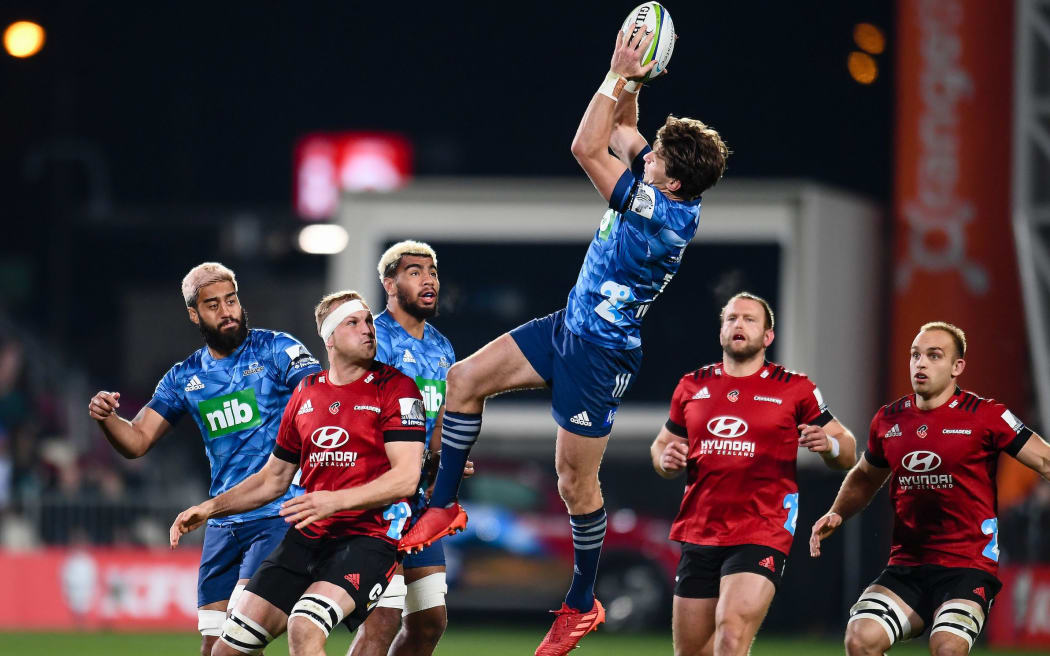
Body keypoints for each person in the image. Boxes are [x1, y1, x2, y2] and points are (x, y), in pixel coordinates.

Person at [400, 25, 730, 656]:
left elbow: (586, 144)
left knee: (573, 484)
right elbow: (625, 129)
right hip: (569, 325)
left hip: (600, 355)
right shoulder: (662, 184)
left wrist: (613, 70)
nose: (645, 154)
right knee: (464, 380)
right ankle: (443, 507)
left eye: (655, 157)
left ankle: (581, 604)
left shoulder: (661, 215)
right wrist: (635, 79)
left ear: (672, 184)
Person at [169, 290, 427, 656]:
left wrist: (333, 501)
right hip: (307, 537)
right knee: (225, 651)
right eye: (353, 322)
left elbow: (405, 478)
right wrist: (209, 508)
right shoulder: (306, 393)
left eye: (368, 321)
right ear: (330, 338)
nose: (368, 329)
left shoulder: (397, 389)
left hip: (368, 537)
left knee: (304, 627)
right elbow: (273, 479)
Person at [87, 262, 321, 655]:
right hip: (223, 524)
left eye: (231, 300)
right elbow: (138, 440)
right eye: (213, 305)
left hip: (279, 515)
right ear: (194, 314)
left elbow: (322, 398)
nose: (227, 311)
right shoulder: (184, 378)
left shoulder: (279, 350)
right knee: (214, 647)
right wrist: (108, 419)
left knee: (239, 641)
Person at [809, 322, 1050, 655]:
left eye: (934, 356)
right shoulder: (888, 420)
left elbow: (1046, 461)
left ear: (957, 367)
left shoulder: (986, 415)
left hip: (967, 566)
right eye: (915, 355)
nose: (920, 363)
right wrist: (837, 512)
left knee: (947, 647)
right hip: (908, 566)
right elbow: (865, 476)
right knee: (860, 638)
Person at [650, 292, 857, 656]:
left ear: (767, 336)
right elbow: (661, 445)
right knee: (691, 651)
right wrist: (665, 460)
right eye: (731, 319)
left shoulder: (795, 388)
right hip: (700, 529)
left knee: (731, 636)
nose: (738, 325)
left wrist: (830, 445)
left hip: (761, 528)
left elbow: (848, 448)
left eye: (749, 319)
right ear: (721, 331)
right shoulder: (691, 386)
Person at [348, 241, 464, 656]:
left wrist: (448, 457)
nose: (428, 279)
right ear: (389, 283)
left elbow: (436, 422)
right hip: (374, 500)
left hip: (418, 504)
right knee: (381, 619)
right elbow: (349, 417)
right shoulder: (371, 339)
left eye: (432, 271)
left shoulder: (442, 348)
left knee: (430, 621)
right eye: (415, 272)